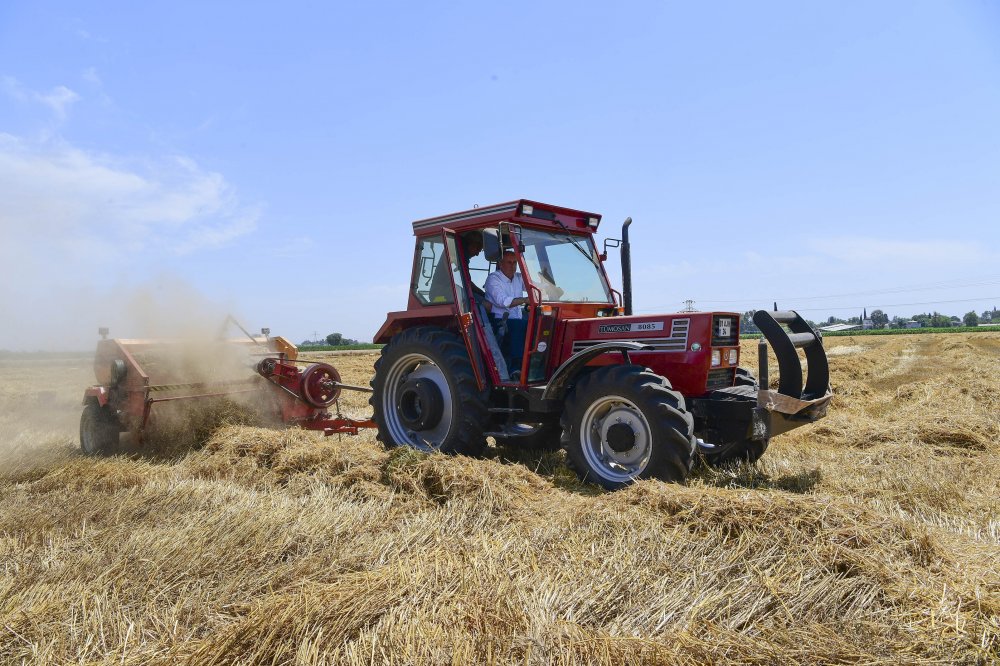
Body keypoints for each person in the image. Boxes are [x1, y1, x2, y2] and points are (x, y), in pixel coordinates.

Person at [485, 250, 529, 376]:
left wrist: (546, 286)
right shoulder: (493, 279)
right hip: (498, 321)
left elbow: (533, 287)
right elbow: (502, 301)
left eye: (515, 262)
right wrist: (525, 300)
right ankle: (515, 368)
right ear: (500, 264)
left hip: (516, 319)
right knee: (520, 326)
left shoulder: (519, 277)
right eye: (509, 262)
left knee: (537, 323)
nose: (513, 266)